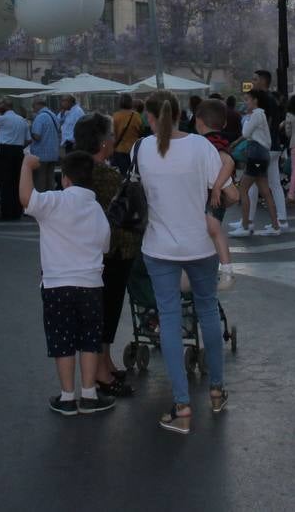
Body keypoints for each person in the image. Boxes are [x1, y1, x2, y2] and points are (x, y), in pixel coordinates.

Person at [137, 91, 228, 434]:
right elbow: (223, 189)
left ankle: (182, 405)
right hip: (202, 245)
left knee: (170, 319)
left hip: (159, 247)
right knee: (207, 312)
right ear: (180, 114)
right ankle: (217, 390)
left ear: (149, 116)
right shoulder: (202, 147)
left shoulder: (142, 149)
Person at [21, 150, 115, 417]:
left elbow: (26, 199)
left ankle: (66, 396)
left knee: (62, 339)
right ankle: (88, 393)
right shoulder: (97, 209)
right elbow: (105, 245)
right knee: (89, 339)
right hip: (91, 285)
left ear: (66, 179)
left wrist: (26, 166)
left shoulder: (55, 202)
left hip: (56, 284)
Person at [73, 113, 139, 397]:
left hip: (97, 251)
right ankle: (100, 372)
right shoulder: (103, 175)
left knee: (108, 310)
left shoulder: (80, 169)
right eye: (111, 135)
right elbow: (123, 213)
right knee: (106, 310)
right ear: (102, 143)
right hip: (111, 252)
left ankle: (105, 361)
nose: (114, 140)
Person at [193, 98, 239, 289]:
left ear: (198, 121)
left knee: (213, 229)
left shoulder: (210, 143)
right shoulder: (216, 140)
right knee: (211, 231)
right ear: (225, 123)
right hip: (213, 196)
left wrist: (218, 187)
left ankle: (227, 272)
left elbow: (228, 162)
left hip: (213, 195)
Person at [229, 89, 281, 237]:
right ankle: (275, 225)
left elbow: (245, 133)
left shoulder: (256, 114)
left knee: (243, 189)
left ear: (255, 100)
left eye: (248, 100)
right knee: (265, 191)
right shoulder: (261, 114)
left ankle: (245, 226)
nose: (246, 103)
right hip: (262, 154)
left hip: (256, 154)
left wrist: (247, 118)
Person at [247, 69, 289, 230]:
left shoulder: (264, 101)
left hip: (263, 148)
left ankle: (248, 222)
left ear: (263, 81)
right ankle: (282, 220)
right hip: (273, 147)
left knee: (253, 184)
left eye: (255, 79)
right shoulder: (272, 99)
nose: (252, 81)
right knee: (273, 183)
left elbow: (263, 124)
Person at [0, 101, 30, 220]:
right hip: (18, 151)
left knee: (5, 183)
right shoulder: (22, 120)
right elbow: (28, 139)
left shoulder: (2, 118)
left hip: (5, 151)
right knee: (16, 182)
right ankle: (17, 211)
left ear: (3, 107)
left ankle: (6, 212)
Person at [29, 97, 62, 191]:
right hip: (53, 153)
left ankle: (41, 203)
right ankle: (51, 202)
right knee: (50, 180)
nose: (33, 108)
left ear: (38, 105)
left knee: (40, 182)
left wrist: (29, 128)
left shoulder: (40, 117)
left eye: (33, 106)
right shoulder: (53, 115)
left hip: (41, 155)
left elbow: (37, 136)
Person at [109, 94, 143, 176]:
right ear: (130, 103)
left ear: (120, 103)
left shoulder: (115, 116)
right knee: (135, 175)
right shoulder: (136, 116)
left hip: (119, 151)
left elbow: (112, 134)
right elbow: (141, 132)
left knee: (123, 176)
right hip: (134, 150)